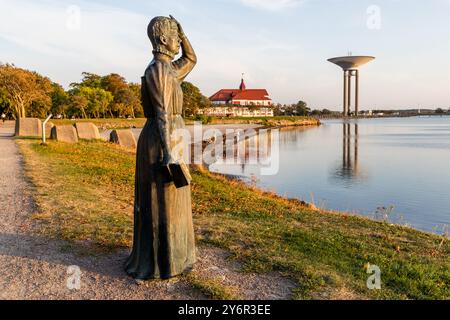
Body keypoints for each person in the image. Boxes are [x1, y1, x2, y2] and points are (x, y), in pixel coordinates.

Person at [125, 16, 197, 280]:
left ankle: (179, 255)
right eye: (176, 37)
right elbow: (164, 112)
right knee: (162, 200)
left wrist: (184, 32)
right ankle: (163, 263)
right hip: (162, 139)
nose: (179, 42)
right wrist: (170, 153)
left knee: (175, 200)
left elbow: (191, 60)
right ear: (164, 40)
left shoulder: (170, 68)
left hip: (170, 135)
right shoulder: (158, 70)